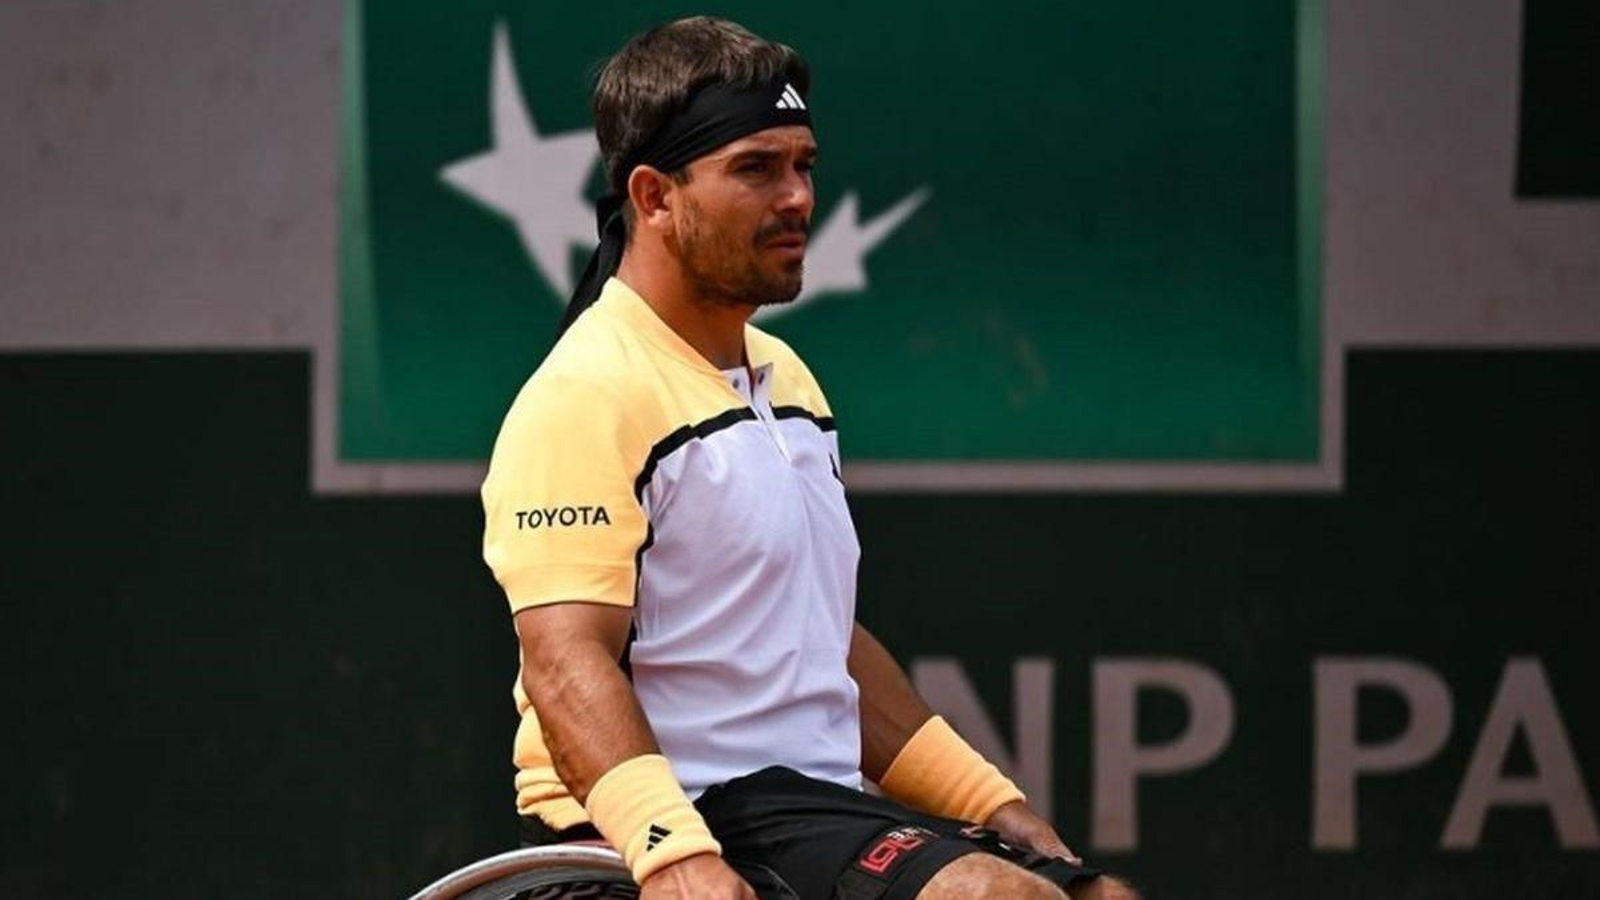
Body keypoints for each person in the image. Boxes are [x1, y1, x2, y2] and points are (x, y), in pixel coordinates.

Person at [481, 16, 1139, 900]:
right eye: (755, 168)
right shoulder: (586, 394)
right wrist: (672, 851)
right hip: (671, 813)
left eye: (804, 166)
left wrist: (988, 799)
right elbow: (565, 663)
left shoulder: (786, 378)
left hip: (806, 808)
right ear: (653, 196)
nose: (796, 198)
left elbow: (812, 637)